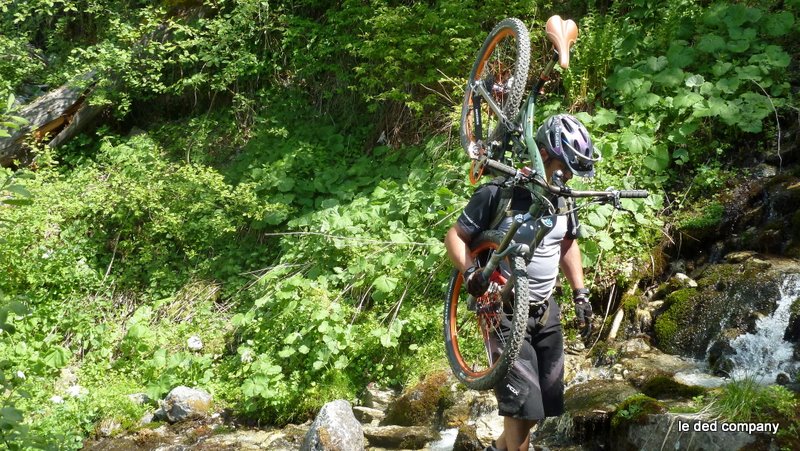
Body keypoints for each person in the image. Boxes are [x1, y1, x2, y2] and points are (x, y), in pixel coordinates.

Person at [444, 114, 599, 451]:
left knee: (541, 405)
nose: (569, 176)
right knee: (521, 403)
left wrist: (580, 293)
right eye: (565, 166)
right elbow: (454, 236)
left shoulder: (563, 198)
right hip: (502, 312)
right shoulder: (499, 193)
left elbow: (567, 244)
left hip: (544, 308)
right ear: (544, 155)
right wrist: (471, 272)